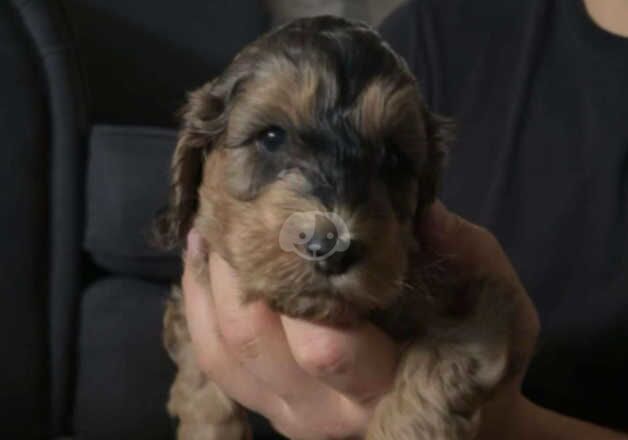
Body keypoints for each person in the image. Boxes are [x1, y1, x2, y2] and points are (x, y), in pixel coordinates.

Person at [179, 0, 628, 438]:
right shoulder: (432, 27)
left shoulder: (435, 284)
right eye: (272, 139)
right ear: (197, 159)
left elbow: (481, 316)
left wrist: (492, 424)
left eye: (390, 161)